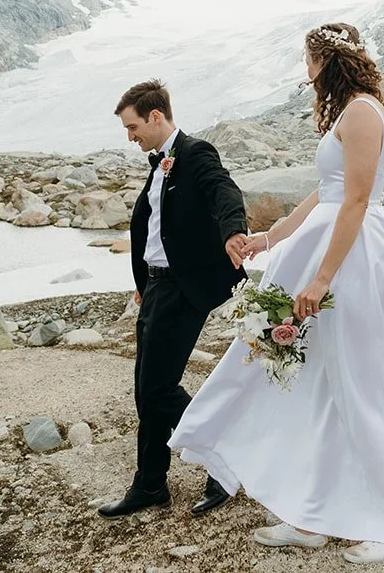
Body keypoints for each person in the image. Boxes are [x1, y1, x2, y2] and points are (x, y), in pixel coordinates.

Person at [168, 23, 384, 564]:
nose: (303, 70)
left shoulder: (360, 111)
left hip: (352, 260)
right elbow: (326, 193)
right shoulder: (350, 111)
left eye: (307, 59)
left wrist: (322, 278)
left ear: (326, 60)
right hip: (327, 248)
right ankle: (312, 515)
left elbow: (355, 202)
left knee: (356, 392)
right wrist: (273, 235)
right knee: (314, 387)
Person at [98, 79, 251, 519]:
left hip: (183, 289)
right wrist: (144, 281)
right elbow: (155, 227)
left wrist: (233, 230)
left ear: (155, 117)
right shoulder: (158, 163)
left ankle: (223, 452)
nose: (130, 137)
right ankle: (150, 485)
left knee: (158, 388)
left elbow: (224, 191)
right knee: (145, 393)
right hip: (156, 289)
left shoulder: (196, 153)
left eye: (132, 127)